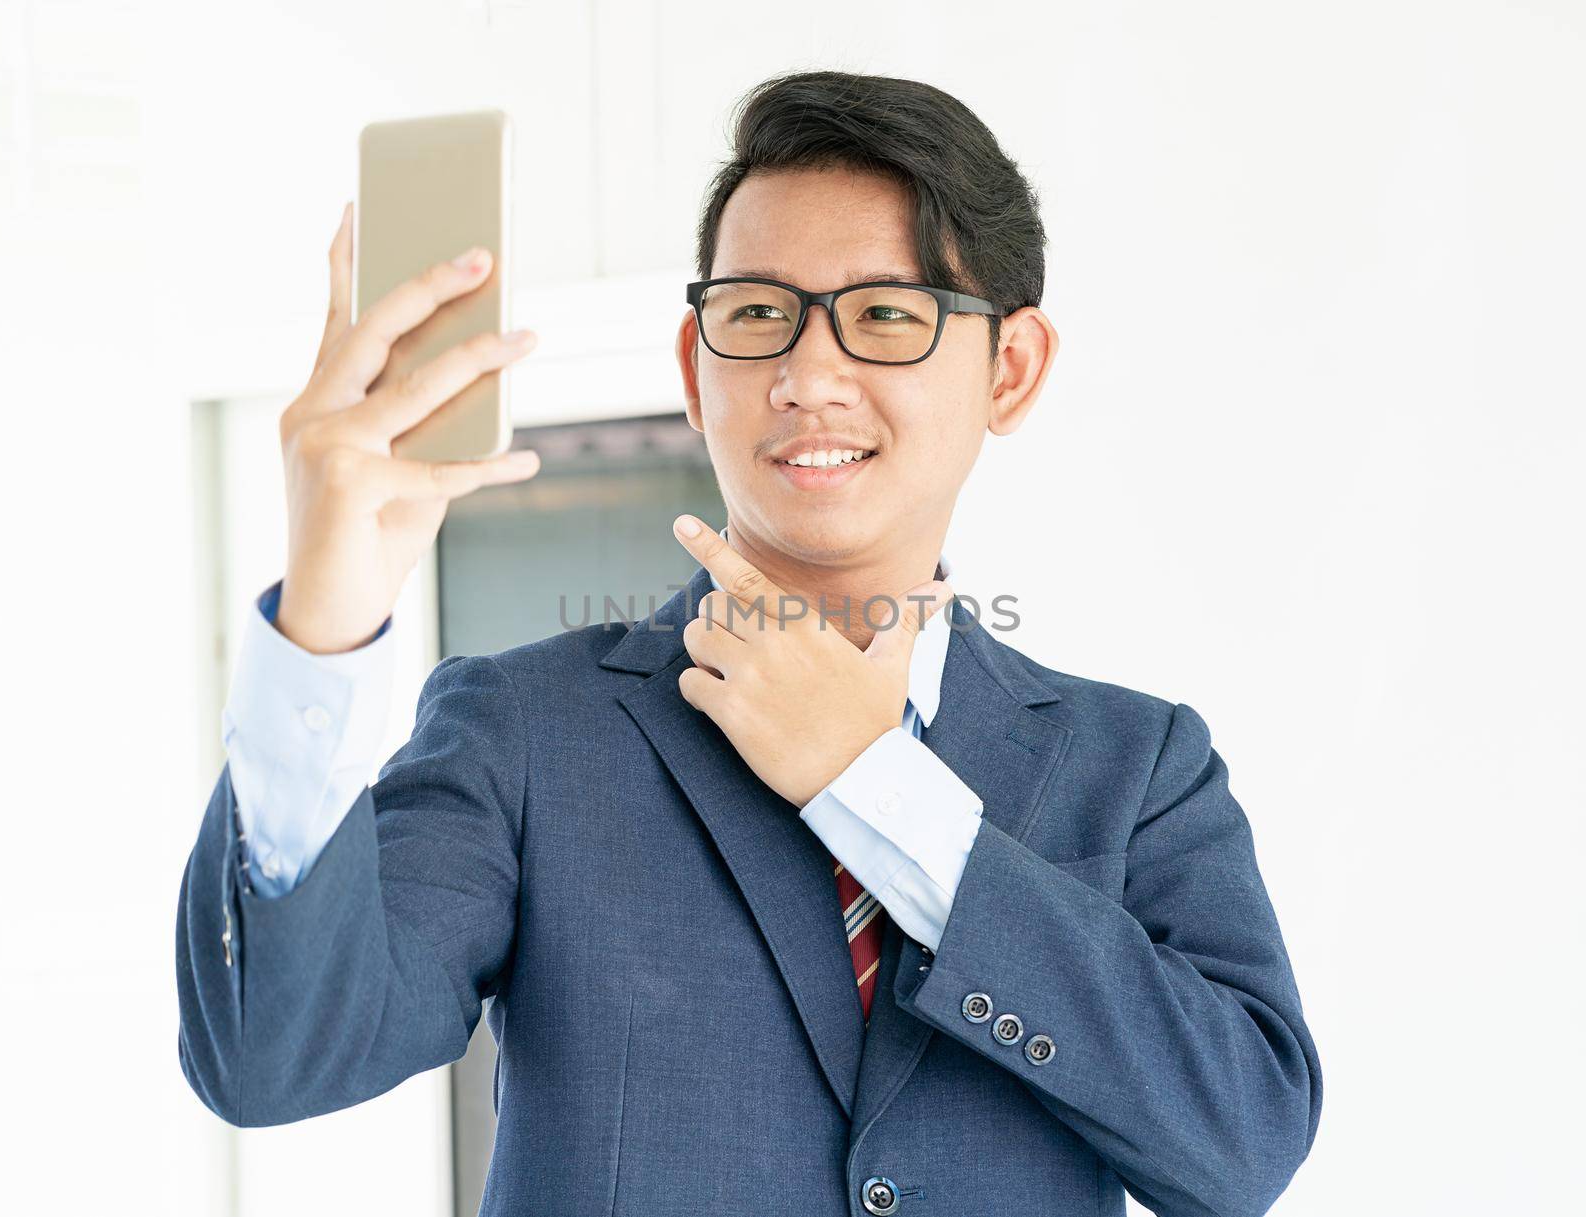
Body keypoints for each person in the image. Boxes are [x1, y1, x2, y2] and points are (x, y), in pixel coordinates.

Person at [177, 69, 1322, 1216]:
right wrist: (325, 622)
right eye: (758, 313)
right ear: (693, 363)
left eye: (884, 313)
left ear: (1009, 370)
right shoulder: (527, 730)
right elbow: (269, 1058)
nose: (806, 375)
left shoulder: (1138, 766)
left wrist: (873, 780)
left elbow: (1237, 1143)